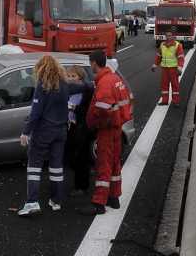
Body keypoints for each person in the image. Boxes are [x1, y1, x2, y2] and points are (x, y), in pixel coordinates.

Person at [78, 50, 131, 215]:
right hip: (117, 128)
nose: (90, 66)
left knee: (103, 166)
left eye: (90, 63)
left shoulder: (104, 82)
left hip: (107, 130)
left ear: (94, 63)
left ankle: (99, 203)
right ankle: (113, 198)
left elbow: (103, 109)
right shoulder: (115, 79)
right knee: (115, 165)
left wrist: (97, 125)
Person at [18, 54, 70, 216]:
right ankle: (56, 201)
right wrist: (91, 84)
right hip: (61, 131)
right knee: (56, 167)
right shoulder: (64, 86)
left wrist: (25, 132)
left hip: (44, 132)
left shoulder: (42, 87)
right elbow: (84, 87)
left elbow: (35, 113)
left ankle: (32, 202)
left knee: (34, 166)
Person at [64, 65, 94, 197]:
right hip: (69, 126)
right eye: (69, 76)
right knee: (68, 156)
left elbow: (89, 110)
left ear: (81, 79)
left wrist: (75, 109)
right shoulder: (67, 90)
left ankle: (82, 186)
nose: (70, 79)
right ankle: (85, 172)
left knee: (81, 156)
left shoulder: (87, 91)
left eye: (73, 76)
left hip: (82, 128)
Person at [152, 30, 185, 107]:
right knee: (164, 85)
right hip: (165, 68)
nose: (168, 37)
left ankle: (176, 101)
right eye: (167, 35)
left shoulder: (177, 45)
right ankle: (165, 100)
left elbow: (181, 58)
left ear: (173, 36)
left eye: (170, 35)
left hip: (173, 69)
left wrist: (180, 67)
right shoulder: (162, 45)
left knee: (175, 85)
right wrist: (155, 65)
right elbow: (159, 56)